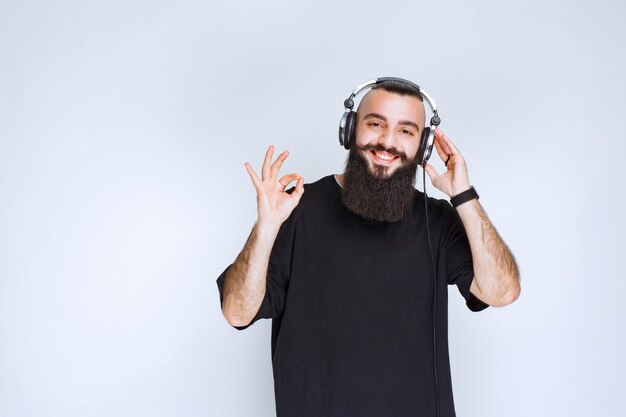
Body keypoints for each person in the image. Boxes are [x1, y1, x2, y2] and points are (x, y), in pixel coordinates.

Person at [216, 79, 520, 417]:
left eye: (406, 131)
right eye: (375, 124)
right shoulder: (297, 210)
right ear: (350, 131)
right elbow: (237, 312)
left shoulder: (436, 221)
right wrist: (267, 226)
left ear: (423, 147)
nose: (388, 142)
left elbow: (502, 292)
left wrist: (463, 195)